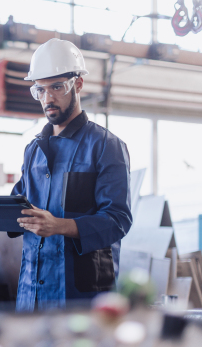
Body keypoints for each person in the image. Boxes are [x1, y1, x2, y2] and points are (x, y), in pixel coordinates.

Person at [9, 38, 132, 312]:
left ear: (77, 84)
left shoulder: (106, 146)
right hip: (33, 293)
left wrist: (60, 226)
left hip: (81, 297)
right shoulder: (33, 150)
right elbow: (19, 205)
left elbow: (118, 221)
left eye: (57, 87)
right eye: (40, 90)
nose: (48, 98)